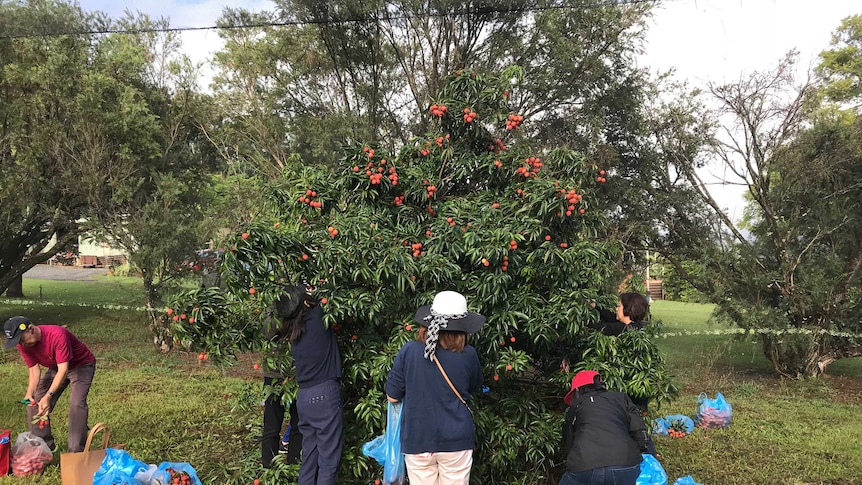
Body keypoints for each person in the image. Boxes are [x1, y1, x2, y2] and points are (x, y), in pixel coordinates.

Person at [385, 290, 485, 485]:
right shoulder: (469, 355)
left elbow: (392, 397)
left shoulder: (409, 351)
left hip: (418, 439)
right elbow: (474, 387)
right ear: (462, 327)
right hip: (457, 440)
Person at [273, 285, 343, 485]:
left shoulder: (295, 330)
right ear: (305, 302)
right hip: (324, 394)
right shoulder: (318, 320)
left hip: (304, 397)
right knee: (329, 460)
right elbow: (327, 297)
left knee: (310, 459)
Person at [3, 316, 96, 453]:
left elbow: (63, 370)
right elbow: (34, 370)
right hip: (56, 367)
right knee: (35, 402)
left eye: (22, 339)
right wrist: (30, 393)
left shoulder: (57, 335)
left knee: (76, 404)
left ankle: (76, 450)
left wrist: (48, 396)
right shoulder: (23, 345)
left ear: (31, 329)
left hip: (81, 366)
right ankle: (43, 447)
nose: (21, 344)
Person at [559, 370, 649, 485]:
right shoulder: (621, 398)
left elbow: (568, 443)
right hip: (626, 464)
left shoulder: (576, 406)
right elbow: (640, 433)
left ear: (577, 390)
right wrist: (643, 452)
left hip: (583, 466)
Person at [261, 310, 303, 468]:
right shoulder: (273, 310)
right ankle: (269, 467)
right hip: (274, 374)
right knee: (272, 424)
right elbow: (267, 331)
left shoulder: (301, 307)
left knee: (298, 422)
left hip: (295, 373)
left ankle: (294, 464)